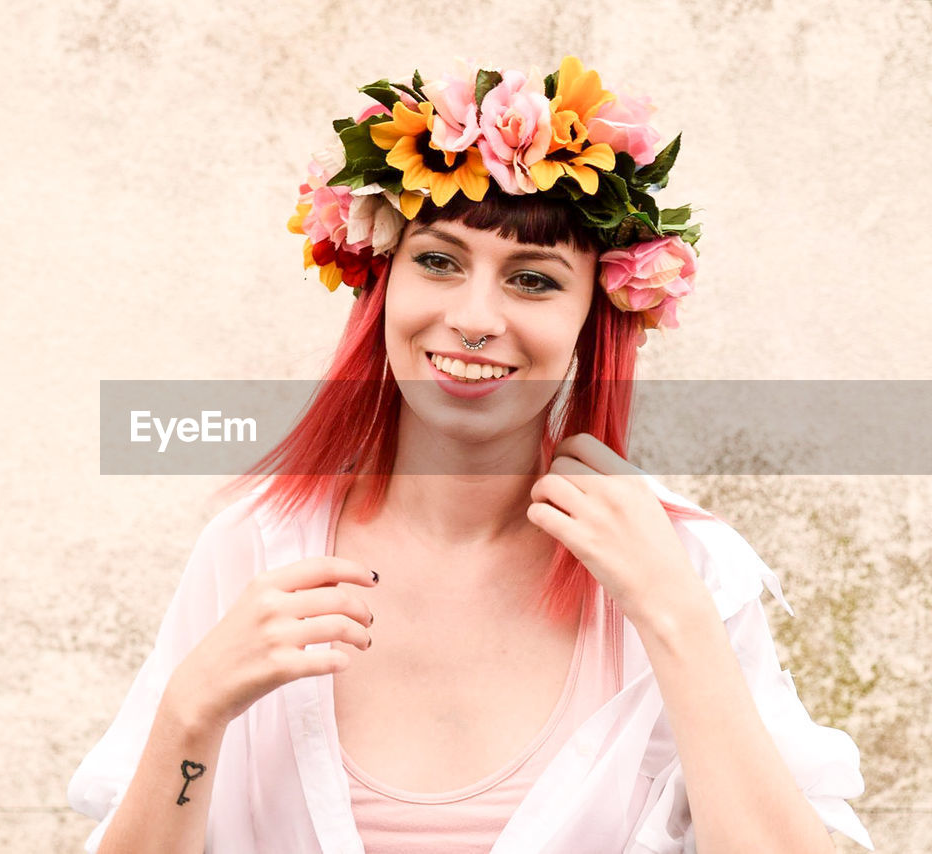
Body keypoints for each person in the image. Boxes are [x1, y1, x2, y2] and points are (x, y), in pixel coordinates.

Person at [68, 56, 874, 853]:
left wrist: (678, 620)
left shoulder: (682, 565)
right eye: (439, 261)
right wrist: (190, 714)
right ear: (381, 281)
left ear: (596, 315)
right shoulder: (252, 548)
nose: (475, 317)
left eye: (533, 280)